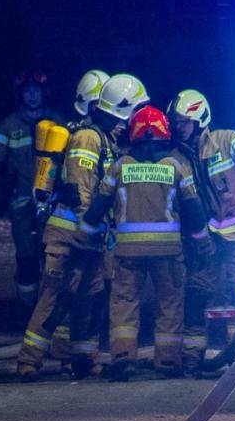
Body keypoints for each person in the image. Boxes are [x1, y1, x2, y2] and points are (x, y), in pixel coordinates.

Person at [17, 73, 148, 381]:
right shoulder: (88, 138)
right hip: (68, 235)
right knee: (55, 298)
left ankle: (83, 358)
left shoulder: (107, 141)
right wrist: (89, 228)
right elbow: (80, 188)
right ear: (121, 110)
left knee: (90, 299)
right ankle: (28, 361)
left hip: (90, 238)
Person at [81, 105, 213, 380]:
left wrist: (84, 232)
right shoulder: (176, 167)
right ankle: (167, 362)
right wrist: (203, 244)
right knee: (170, 305)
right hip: (168, 252)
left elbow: (97, 208)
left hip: (128, 253)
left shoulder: (119, 167)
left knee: (124, 305)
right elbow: (195, 212)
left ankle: (122, 358)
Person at [168, 88, 235, 374]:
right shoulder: (179, 156)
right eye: (176, 122)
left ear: (200, 118)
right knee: (196, 293)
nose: (179, 128)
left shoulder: (224, 140)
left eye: (184, 122)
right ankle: (192, 359)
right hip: (207, 239)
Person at [0, 71, 58, 306]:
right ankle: (26, 306)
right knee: (26, 257)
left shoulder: (58, 123)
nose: (32, 96)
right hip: (22, 201)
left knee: (54, 255)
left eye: (37, 91)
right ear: (20, 95)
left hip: (53, 202)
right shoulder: (9, 125)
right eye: (27, 91)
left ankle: (52, 304)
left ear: (44, 93)